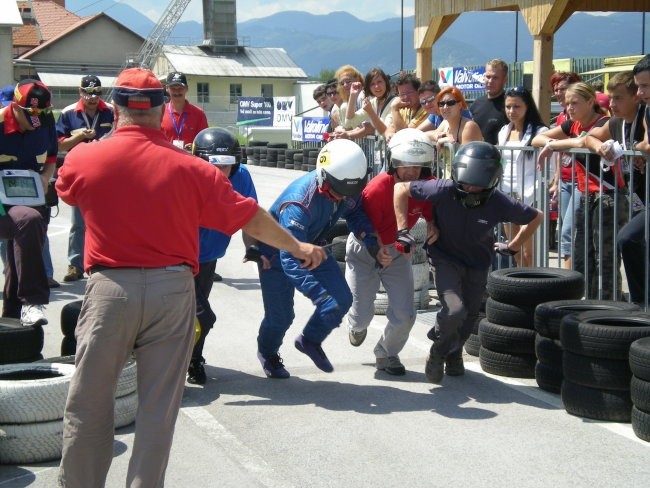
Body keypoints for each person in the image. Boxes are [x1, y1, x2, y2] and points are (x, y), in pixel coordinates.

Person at [55, 67, 326, 488]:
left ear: (116, 106)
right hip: (172, 289)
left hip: (109, 289)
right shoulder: (193, 168)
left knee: (89, 404)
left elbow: (66, 190)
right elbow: (249, 216)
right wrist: (298, 246)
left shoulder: (85, 157)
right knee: (157, 409)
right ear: (163, 107)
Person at [393, 141, 542, 383]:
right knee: (454, 310)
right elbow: (401, 189)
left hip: (478, 263)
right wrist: (402, 230)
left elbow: (536, 217)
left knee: (470, 316)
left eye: (476, 187)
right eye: (464, 185)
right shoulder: (442, 189)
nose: (469, 189)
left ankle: (454, 353)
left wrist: (513, 245)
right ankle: (438, 352)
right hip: (445, 258)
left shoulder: (499, 202)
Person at [255, 138, 377, 378]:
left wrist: (370, 239)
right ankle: (268, 353)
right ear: (323, 177)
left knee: (341, 299)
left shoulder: (346, 187)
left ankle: (310, 340)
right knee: (281, 317)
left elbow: (356, 212)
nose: (343, 198)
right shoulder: (298, 203)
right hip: (276, 254)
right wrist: (319, 296)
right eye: (337, 193)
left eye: (349, 192)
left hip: (314, 246)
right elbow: (290, 258)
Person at [346, 129, 435, 375]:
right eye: (405, 166)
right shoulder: (375, 190)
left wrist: (433, 225)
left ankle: (386, 353)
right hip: (366, 250)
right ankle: (356, 325)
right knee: (362, 315)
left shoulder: (426, 186)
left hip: (397, 253)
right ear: (393, 163)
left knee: (406, 313)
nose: (412, 172)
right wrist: (377, 250)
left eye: (418, 167)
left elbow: (430, 214)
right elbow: (366, 228)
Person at [187, 127, 262, 384]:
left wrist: (252, 247)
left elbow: (249, 217)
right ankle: (175, 362)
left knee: (196, 318)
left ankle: (194, 359)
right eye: (213, 165)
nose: (220, 173)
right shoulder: (185, 177)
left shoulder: (241, 177)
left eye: (227, 166)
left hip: (209, 257)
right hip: (178, 259)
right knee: (203, 316)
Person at [0, 79, 58, 326]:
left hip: (31, 195)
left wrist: (46, 176)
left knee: (20, 257)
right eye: (29, 115)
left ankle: (13, 321)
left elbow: (52, 157)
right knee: (28, 221)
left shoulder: (44, 121)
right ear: (14, 107)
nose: (36, 123)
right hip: (2, 201)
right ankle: (33, 300)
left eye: (41, 115)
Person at [533, 82, 608, 270]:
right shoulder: (571, 124)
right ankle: (572, 281)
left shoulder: (604, 123)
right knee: (570, 235)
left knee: (573, 234)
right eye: (567, 104)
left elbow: (585, 141)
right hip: (579, 185)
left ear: (590, 101)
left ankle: (575, 282)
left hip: (601, 189)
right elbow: (536, 139)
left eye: (574, 103)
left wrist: (554, 146)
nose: (569, 108)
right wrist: (552, 143)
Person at [56, 74, 114, 283]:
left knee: (106, 221)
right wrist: (79, 136)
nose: (92, 97)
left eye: (96, 92)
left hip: (107, 174)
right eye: (88, 93)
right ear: (80, 92)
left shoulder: (110, 112)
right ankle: (75, 265)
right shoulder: (68, 113)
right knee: (78, 222)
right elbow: (59, 144)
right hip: (80, 174)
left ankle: (105, 262)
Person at [497, 86, 549, 266]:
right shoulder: (503, 130)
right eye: (508, 106)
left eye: (517, 106)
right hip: (506, 193)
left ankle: (531, 287)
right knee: (514, 249)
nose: (512, 111)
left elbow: (550, 162)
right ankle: (520, 285)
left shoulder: (540, 131)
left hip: (528, 194)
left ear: (528, 106)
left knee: (528, 251)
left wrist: (546, 186)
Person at [616, 54, 650, 305]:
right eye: (638, 86)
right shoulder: (648, 111)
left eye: (645, 86)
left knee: (628, 238)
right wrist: (641, 150)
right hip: (643, 197)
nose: (640, 93)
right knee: (628, 239)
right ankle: (641, 305)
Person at [161, 71, 208, 149]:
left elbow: (204, 141)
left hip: (190, 159)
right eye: (173, 88)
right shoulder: (160, 112)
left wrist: (194, 146)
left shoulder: (199, 114)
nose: (177, 91)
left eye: (180, 88)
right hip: (167, 159)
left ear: (186, 89)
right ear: (167, 89)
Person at [470, 59, 509, 144]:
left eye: (495, 78)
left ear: (505, 80)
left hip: (501, 156)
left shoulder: (510, 105)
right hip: (477, 155)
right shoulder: (476, 104)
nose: (490, 81)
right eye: (488, 77)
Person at [385, 72, 428, 140]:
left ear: (418, 91)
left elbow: (405, 133)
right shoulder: (404, 109)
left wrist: (394, 108)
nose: (405, 97)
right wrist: (389, 134)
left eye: (409, 93)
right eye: (402, 94)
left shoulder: (426, 109)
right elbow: (391, 127)